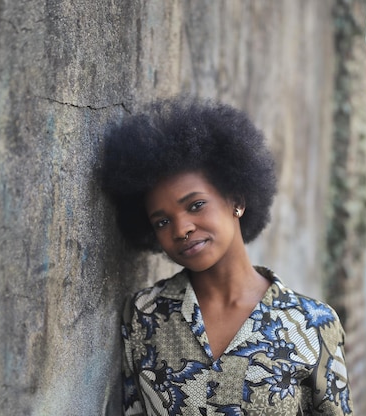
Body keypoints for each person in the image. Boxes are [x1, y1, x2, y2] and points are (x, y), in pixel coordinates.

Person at [100, 97, 353, 415]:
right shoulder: (143, 316)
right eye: (162, 222)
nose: (181, 229)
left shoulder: (312, 323)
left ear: (237, 201)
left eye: (195, 205)